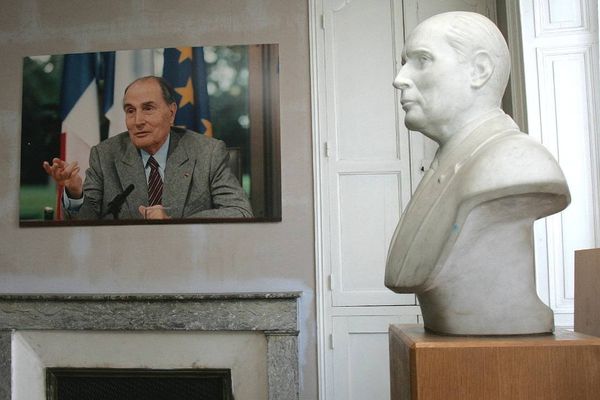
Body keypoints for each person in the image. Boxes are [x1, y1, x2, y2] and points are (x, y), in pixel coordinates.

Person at [384, 12, 570, 335]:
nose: (399, 78)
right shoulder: (448, 163)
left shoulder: (517, 164)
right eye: (404, 62)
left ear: (479, 70)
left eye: (422, 60)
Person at [43, 76, 253, 220]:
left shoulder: (208, 152)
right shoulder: (105, 154)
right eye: (130, 111)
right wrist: (75, 192)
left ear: (171, 113)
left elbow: (240, 211)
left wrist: (173, 221)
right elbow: (85, 225)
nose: (138, 121)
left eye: (148, 108)